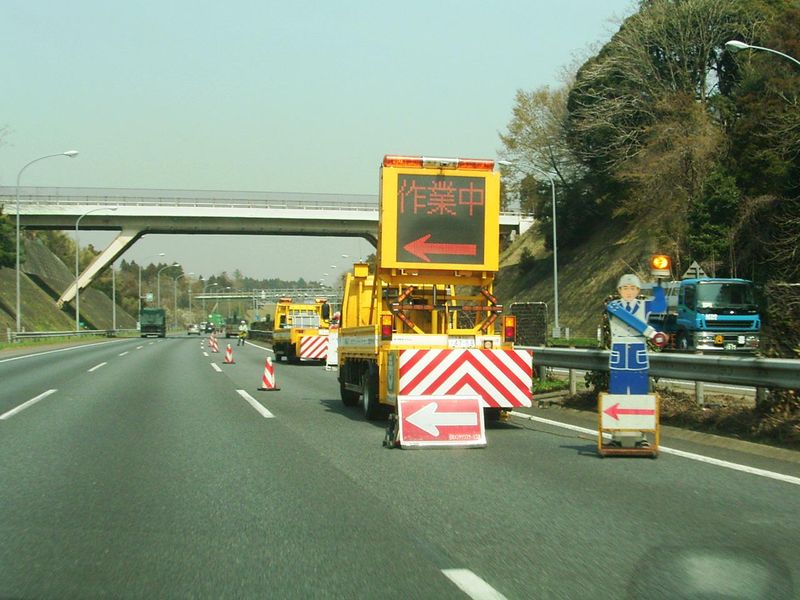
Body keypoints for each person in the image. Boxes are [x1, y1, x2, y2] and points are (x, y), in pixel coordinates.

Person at [607, 274, 666, 395]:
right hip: (619, 350)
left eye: (633, 288)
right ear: (619, 290)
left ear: (638, 290)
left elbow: (660, 305)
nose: (629, 292)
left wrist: (659, 284)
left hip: (637, 350)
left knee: (639, 387)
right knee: (618, 387)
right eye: (625, 288)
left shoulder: (644, 305)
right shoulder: (613, 306)